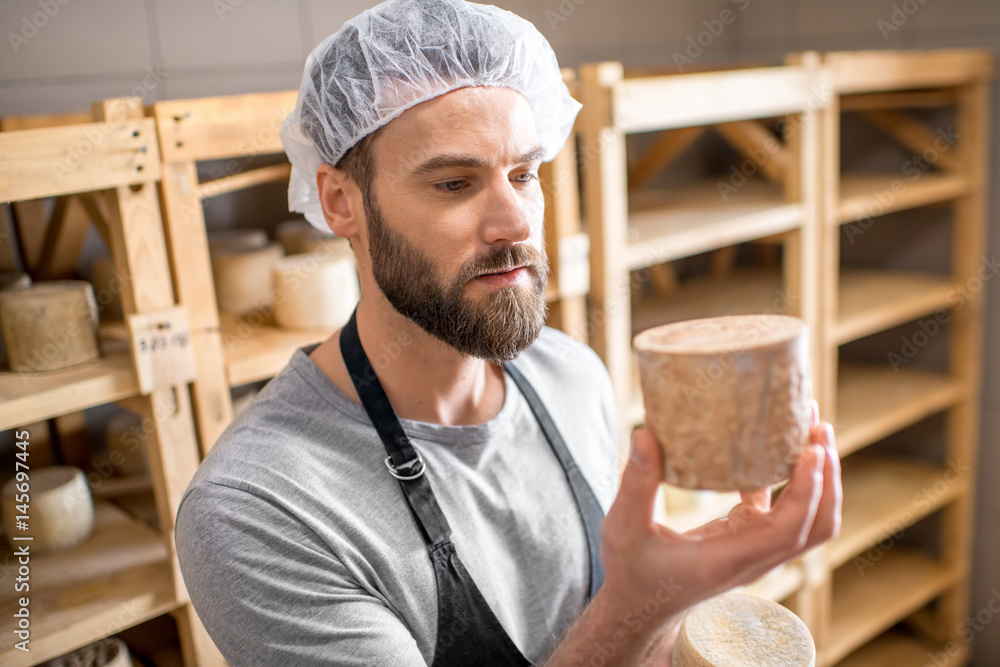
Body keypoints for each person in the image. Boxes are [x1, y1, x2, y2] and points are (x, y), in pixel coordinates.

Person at [174, 0, 843, 665]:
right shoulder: (259, 511)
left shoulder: (571, 376)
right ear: (340, 201)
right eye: (455, 183)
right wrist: (640, 601)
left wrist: (675, 600)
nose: (515, 221)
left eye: (525, 174)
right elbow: (622, 617)